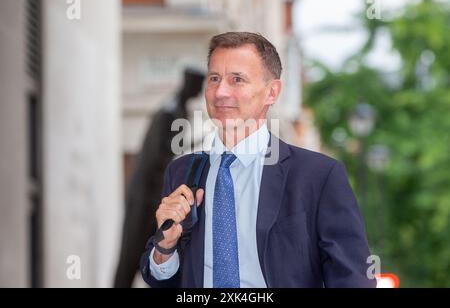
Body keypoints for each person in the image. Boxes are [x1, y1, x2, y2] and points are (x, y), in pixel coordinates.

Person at [139, 32, 377, 288]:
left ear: (271, 92)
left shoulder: (318, 176)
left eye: (237, 80)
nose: (221, 92)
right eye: (214, 78)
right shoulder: (182, 171)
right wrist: (165, 247)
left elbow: (352, 277)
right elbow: (162, 279)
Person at [114, 67, 205, 288]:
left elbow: (173, 147)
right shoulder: (169, 111)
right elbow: (161, 152)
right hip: (147, 192)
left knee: (157, 250)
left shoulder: (180, 109)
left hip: (156, 191)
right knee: (133, 249)